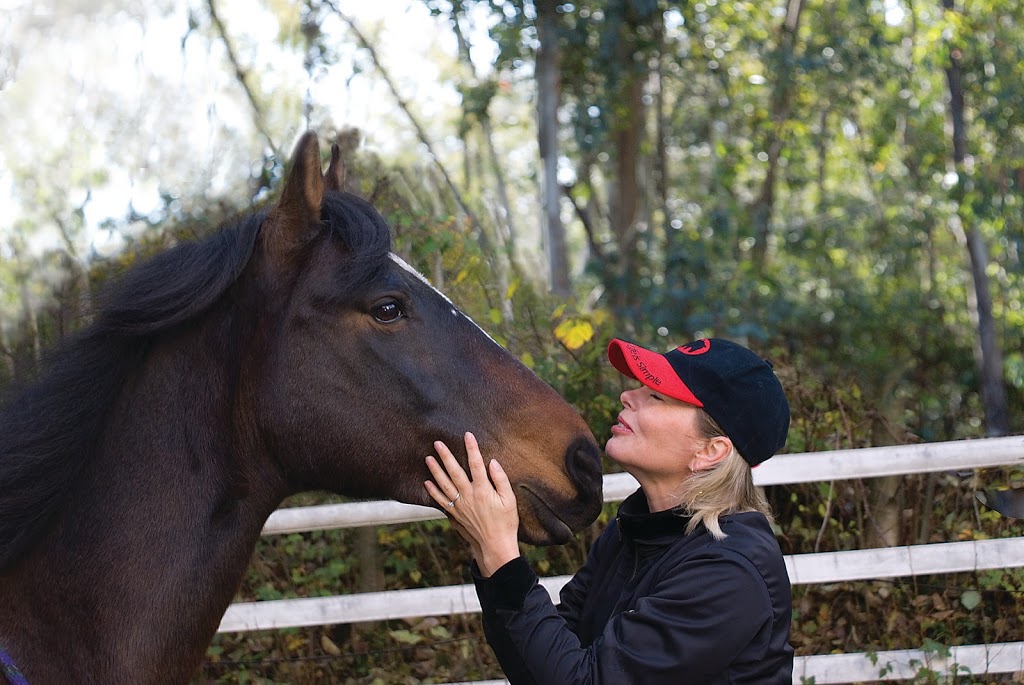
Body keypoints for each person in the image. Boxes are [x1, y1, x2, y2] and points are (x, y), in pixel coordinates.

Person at [424, 337, 794, 685]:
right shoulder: (634, 531)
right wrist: (488, 548)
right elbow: (541, 662)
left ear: (710, 451)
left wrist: (500, 555)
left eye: (657, 396)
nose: (628, 395)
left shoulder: (728, 572)